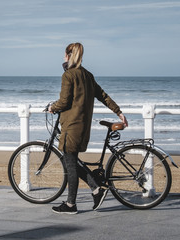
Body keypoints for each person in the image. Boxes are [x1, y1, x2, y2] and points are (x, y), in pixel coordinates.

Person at [49, 42, 128, 214]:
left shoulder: (68, 75)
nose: (63, 57)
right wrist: (118, 112)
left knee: (70, 165)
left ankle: (71, 205)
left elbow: (64, 101)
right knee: (73, 162)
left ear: (69, 55)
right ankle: (96, 190)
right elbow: (103, 96)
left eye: (64, 54)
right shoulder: (88, 75)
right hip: (83, 128)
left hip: (71, 127)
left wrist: (52, 107)